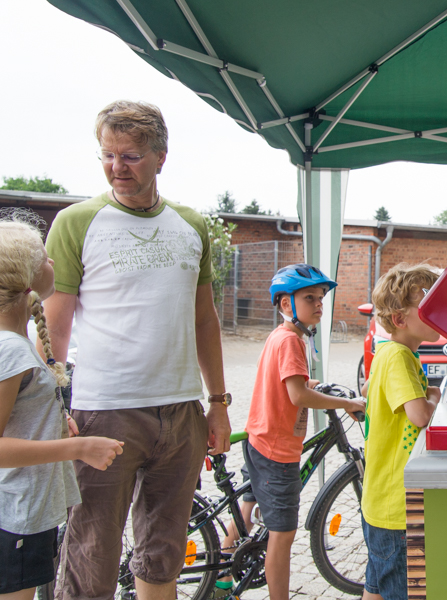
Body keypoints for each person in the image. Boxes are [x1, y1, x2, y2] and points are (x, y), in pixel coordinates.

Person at [43, 100, 232, 600]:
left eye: (130, 157)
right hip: (103, 412)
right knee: (91, 559)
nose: (116, 168)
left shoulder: (191, 225)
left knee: (164, 554)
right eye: (107, 155)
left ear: (160, 157)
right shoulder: (76, 222)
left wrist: (217, 404)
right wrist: (53, 404)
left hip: (181, 411)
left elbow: (204, 319)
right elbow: (54, 326)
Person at [217, 263, 365, 600]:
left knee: (247, 511)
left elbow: (290, 382)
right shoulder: (291, 341)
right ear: (286, 304)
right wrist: (345, 404)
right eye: (309, 297)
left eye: (321, 298)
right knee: (282, 534)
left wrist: (320, 386)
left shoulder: (284, 337)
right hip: (276, 450)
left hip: (261, 439)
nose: (318, 304)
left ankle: (223, 578)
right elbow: (297, 395)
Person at [0, 216, 123, 600]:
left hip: (27, 512)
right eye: (44, 258)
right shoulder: (11, 351)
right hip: (16, 516)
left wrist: (56, 419)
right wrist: (79, 448)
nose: (52, 262)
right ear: (26, 282)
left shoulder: (15, 345)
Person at [361, 263, 442, 600]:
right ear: (399, 319)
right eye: (427, 306)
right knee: (404, 590)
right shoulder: (399, 357)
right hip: (398, 509)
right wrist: (434, 394)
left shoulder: (388, 353)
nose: (437, 313)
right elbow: (420, 415)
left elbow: (368, 390)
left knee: (376, 587)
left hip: (380, 504)